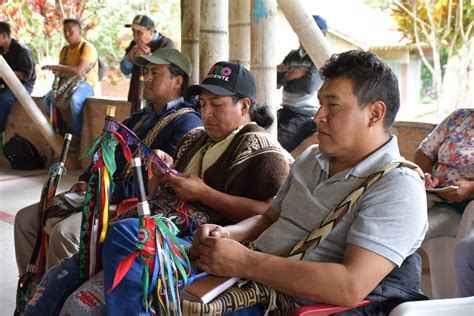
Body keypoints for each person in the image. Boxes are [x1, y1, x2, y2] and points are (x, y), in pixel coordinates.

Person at [23, 61, 292, 315]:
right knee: (53, 285)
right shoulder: (196, 138)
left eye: (217, 105)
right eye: (203, 104)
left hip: (193, 242)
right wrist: (164, 173)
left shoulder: (263, 150)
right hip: (155, 225)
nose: (206, 113)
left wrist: (204, 194)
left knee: (122, 243)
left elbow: (267, 214)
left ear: (244, 106)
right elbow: (155, 194)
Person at [190, 50, 429, 315]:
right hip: (247, 278)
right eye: (320, 104)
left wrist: (244, 261)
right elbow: (269, 219)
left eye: (333, 106)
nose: (318, 117)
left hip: (285, 304)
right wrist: (228, 235)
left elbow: (349, 286)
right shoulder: (311, 158)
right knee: (147, 265)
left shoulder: (398, 186)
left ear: (374, 113)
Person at [14, 48, 202, 276]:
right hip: (103, 193)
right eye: (146, 72)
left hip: (134, 203)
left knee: (65, 233)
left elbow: (162, 181)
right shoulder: (141, 116)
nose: (147, 78)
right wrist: (87, 180)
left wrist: (101, 192)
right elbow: (106, 151)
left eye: (155, 72)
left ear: (177, 81)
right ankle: (32, 295)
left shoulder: (186, 122)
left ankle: (59, 301)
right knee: (25, 220)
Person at [413, 108, 473, 239]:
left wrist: (470, 188)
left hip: (462, 205)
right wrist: (426, 175)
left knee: (413, 231)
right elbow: (423, 152)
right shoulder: (460, 116)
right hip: (431, 192)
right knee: (392, 210)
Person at [40, 18, 99, 149]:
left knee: (75, 100)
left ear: (80, 31)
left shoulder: (87, 48)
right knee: (45, 102)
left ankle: (76, 136)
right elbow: (63, 72)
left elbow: (79, 71)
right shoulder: (65, 50)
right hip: (68, 84)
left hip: (87, 84)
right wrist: (56, 87)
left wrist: (57, 67)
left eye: (71, 31)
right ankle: (63, 129)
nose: (67, 34)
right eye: (65, 31)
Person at [276, 15, 327, 153]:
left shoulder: (319, 58)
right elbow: (274, 79)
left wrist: (286, 75)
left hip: (304, 115)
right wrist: (294, 74)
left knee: (276, 145)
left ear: (321, 34)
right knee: (262, 133)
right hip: (286, 109)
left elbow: (307, 87)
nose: (302, 35)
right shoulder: (293, 55)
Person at [120, 14, 175, 113]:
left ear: (151, 32)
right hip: (137, 95)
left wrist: (150, 57)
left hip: (159, 98)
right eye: (133, 32)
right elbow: (125, 70)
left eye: (139, 32)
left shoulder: (166, 44)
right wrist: (130, 59)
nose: (135, 37)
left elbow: (170, 71)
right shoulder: (134, 45)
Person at [0, 21, 36, 135]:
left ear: (4, 36)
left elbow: (26, 75)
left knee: (5, 99)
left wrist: (6, 73)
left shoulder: (22, 50)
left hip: (24, 85)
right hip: (7, 83)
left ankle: (1, 129)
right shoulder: (2, 49)